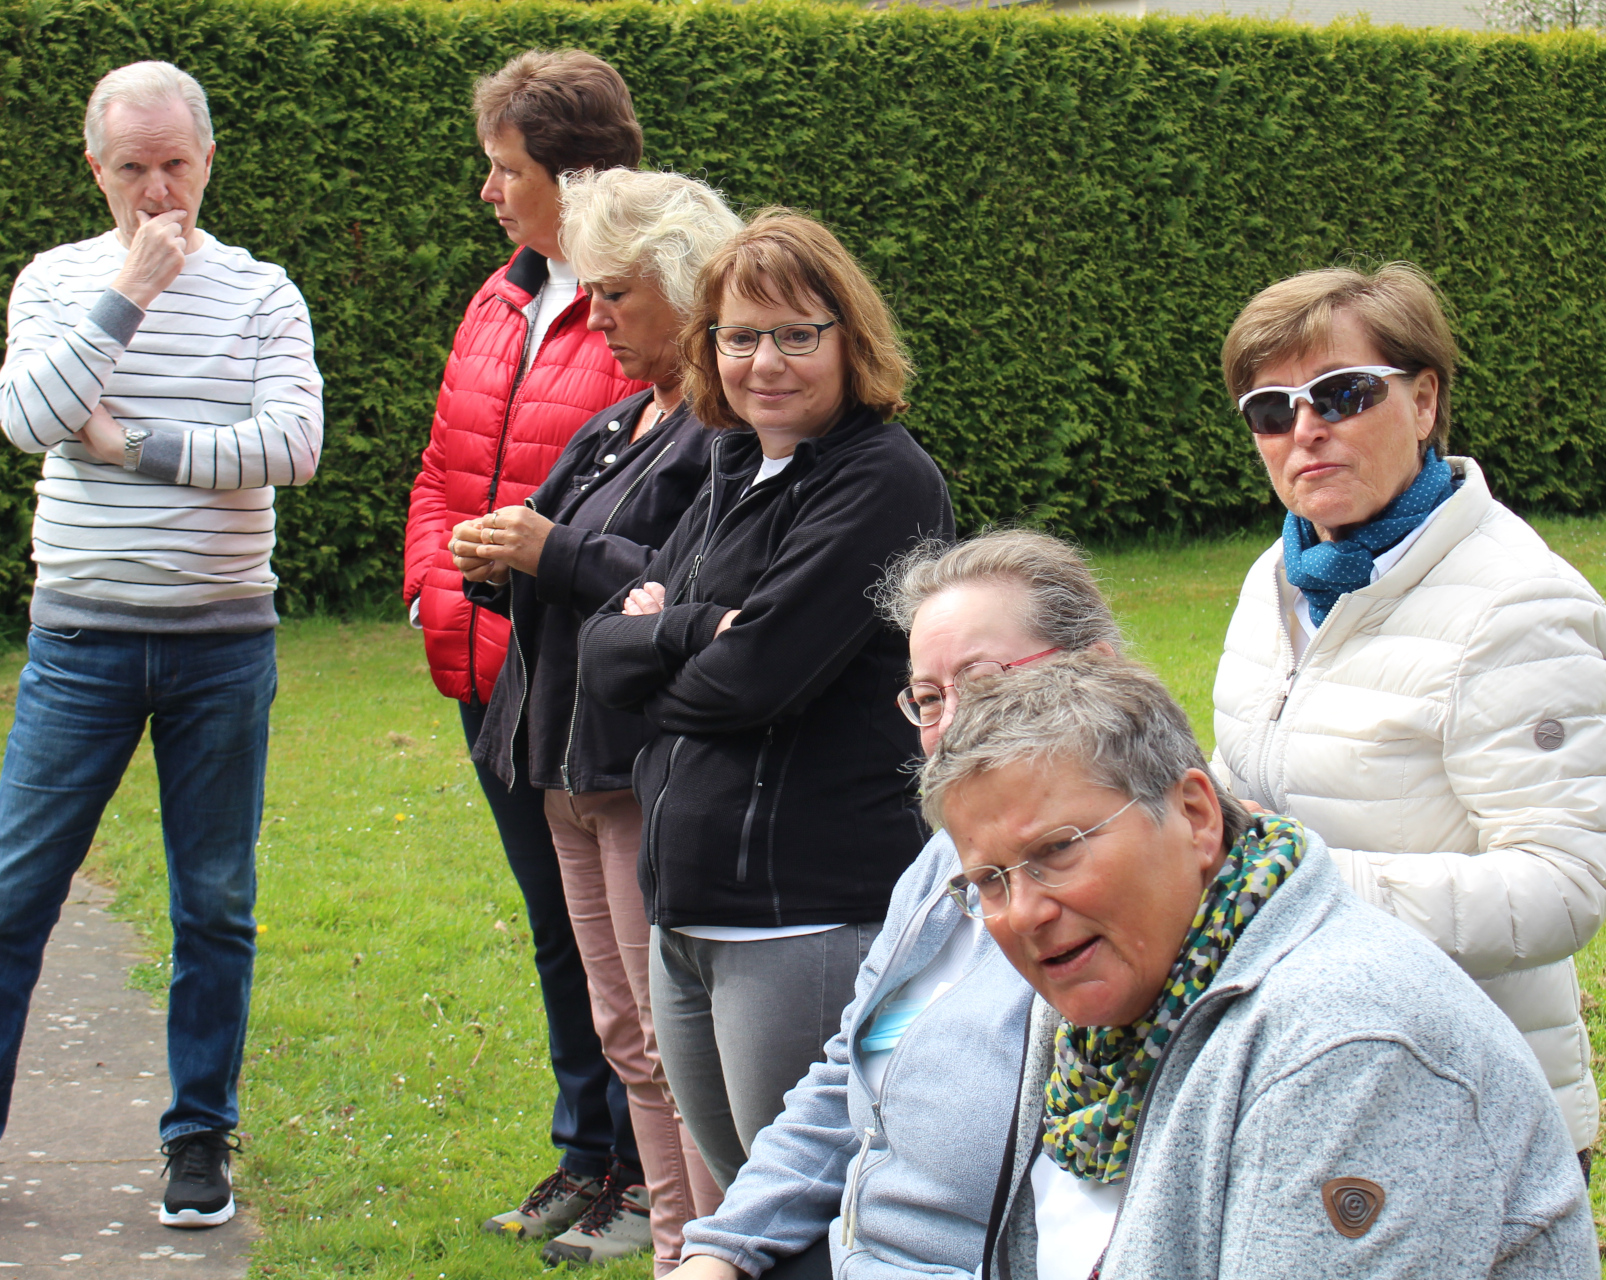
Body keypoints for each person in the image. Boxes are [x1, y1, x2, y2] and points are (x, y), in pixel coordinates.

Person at [0, 61, 323, 1238]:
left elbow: (294, 444)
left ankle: (198, 1137)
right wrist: (129, 290)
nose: (158, 192)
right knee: (10, 898)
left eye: (175, 165)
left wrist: (129, 448)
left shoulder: (261, 290)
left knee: (214, 903)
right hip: (80, 639)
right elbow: (27, 418)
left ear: (208, 159)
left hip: (221, 640)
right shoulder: (60, 280)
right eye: (132, 168)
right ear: (95, 168)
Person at [929, 654, 1601, 1280]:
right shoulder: (1096, 1007)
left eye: (1058, 849)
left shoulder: (1348, 1049)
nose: (1023, 913)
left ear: (1195, 816)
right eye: (989, 880)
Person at [1209, 264, 1606, 1167]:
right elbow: (1250, 780)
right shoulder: (1277, 578)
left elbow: (1564, 886)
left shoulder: (1521, 606)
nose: (1305, 429)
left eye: (1343, 393)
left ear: (1426, 401)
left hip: (1467, 1111)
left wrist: (1301, 886)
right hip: (1305, 1077)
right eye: (1271, 410)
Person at [576, 210, 954, 1193]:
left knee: (808, 1211)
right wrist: (698, 626)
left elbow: (753, 682)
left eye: (796, 334)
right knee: (746, 1205)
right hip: (688, 909)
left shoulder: (882, 479)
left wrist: (664, 642)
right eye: (740, 336)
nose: (766, 362)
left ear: (848, 339)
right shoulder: (732, 465)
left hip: (803, 918)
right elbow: (600, 653)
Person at [668, 530, 1124, 1280]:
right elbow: (846, 1073)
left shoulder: (1139, 897)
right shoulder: (940, 864)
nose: (951, 725)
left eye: (983, 681)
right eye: (929, 698)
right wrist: (722, 1247)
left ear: (1096, 671)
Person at [450, 168, 743, 1271]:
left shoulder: (721, 431)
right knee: (625, 1030)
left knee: (670, 1038)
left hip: (635, 769)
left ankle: (706, 1247)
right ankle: (672, 1244)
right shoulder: (621, 420)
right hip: (565, 762)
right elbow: (560, 550)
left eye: (616, 292)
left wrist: (549, 550)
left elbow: (689, 588)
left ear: (684, 284)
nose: (596, 313)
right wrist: (498, 558)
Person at [400, 49, 650, 1242]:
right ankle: (584, 1152)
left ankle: (645, 1175)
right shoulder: (497, 300)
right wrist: (433, 597)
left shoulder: (642, 312)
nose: (489, 192)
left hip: (589, 685)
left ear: (577, 175)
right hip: (487, 676)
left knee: (622, 938)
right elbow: (439, 472)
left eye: (507, 169)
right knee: (559, 929)